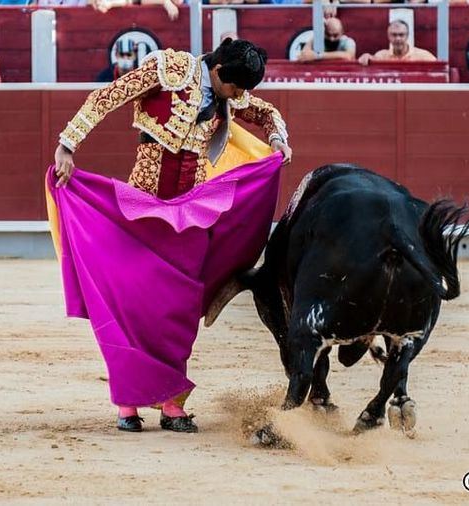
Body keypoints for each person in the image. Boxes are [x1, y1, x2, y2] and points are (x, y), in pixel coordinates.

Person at [53, 39, 291, 433]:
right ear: (218, 73)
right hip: (143, 209)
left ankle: (171, 402)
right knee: (133, 304)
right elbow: (107, 96)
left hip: (190, 214)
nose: (239, 97)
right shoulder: (169, 69)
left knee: (180, 308)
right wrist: (67, 144)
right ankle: (128, 403)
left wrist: (279, 138)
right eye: (235, 88)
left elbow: (266, 113)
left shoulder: (229, 93)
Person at [358, 20, 436, 65]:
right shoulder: (381, 56)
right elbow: (368, 60)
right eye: (394, 35)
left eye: (401, 35)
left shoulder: (424, 56)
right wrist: (366, 56)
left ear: (407, 36)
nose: (398, 38)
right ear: (388, 36)